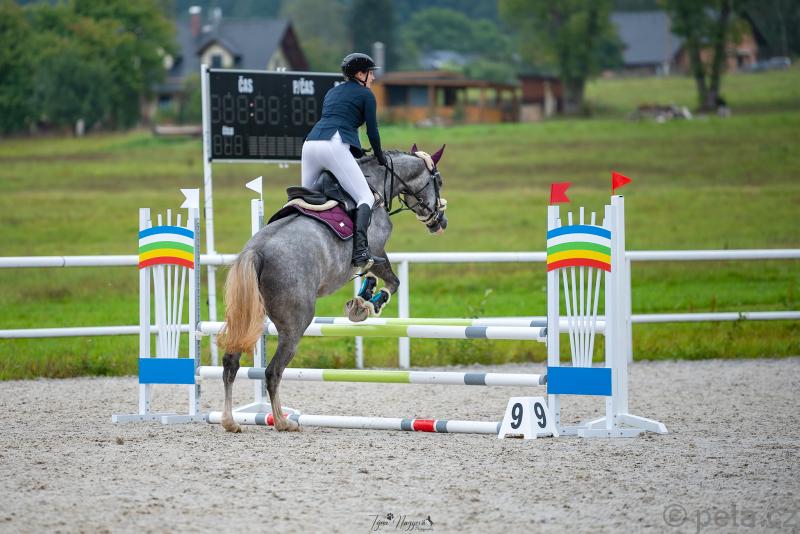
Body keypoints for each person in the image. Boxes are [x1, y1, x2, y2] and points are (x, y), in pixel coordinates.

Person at [302, 53, 387, 269]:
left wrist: (355, 151)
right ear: (360, 74)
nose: (373, 77)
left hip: (310, 144)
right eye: (370, 73)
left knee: (303, 198)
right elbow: (372, 131)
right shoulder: (366, 94)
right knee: (366, 197)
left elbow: (340, 117)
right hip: (334, 144)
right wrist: (380, 156)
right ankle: (360, 251)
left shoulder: (332, 92)